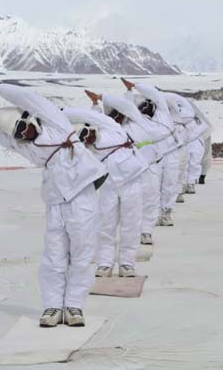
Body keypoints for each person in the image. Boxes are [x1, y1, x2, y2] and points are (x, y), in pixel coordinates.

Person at [0, 76, 106, 328]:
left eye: (23, 127)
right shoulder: (25, 146)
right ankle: (52, 305)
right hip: (55, 200)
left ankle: (74, 305)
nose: (24, 134)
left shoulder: (56, 124)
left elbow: (29, 98)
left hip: (82, 197)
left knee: (82, 253)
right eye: (19, 133)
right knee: (53, 256)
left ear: (29, 119)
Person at [67, 93, 147, 278]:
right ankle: (104, 263)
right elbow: (89, 118)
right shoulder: (93, 137)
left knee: (131, 224)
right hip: (108, 183)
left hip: (132, 180)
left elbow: (121, 109)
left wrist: (102, 97)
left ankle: (127, 263)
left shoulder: (121, 128)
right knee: (105, 225)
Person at [101, 86, 172, 247]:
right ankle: (118, 236)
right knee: (124, 205)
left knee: (151, 199)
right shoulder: (118, 128)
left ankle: (146, 231)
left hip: (150, 167)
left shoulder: (147, 124)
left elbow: (165, 130)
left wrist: (132, 88)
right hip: (128, 172)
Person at [123, 80, 181, 227]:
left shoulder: (163, 113)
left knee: (170, 184)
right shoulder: (138, 120)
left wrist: (135, 86)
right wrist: (129, 92)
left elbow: (156, 95)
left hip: (170, 153)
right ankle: (146, 220)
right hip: (152, 157)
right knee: (151, 191)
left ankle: (166, 212)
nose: (146, 107)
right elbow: (127, 108)